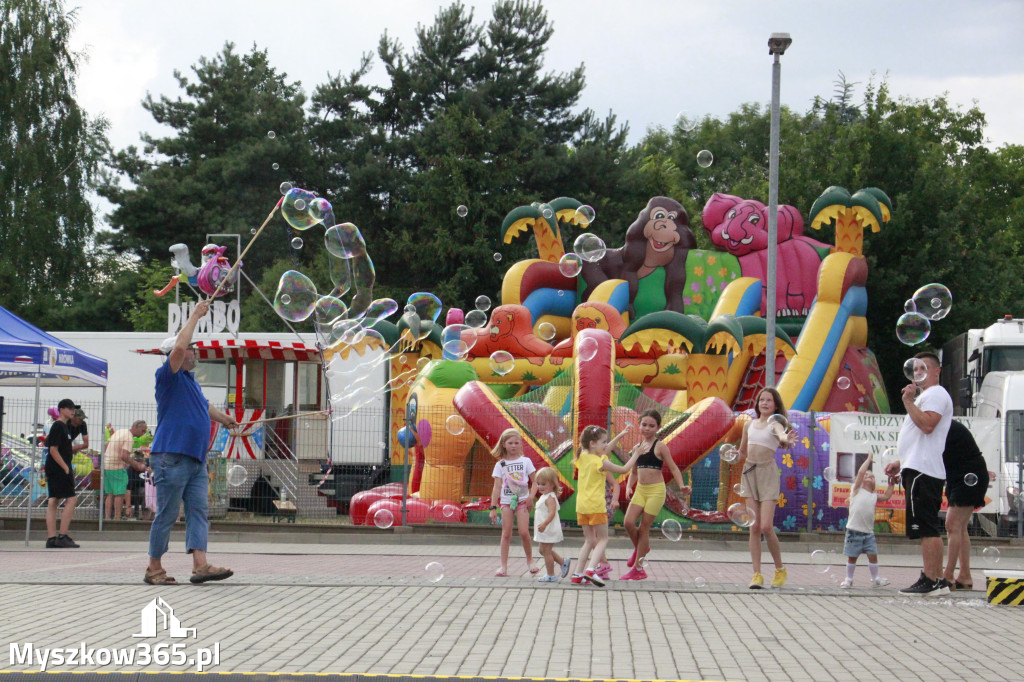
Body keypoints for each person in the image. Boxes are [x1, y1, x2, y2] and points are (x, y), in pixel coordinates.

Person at [145, 299, 238, 586]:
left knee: (199, 511)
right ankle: (154, 568)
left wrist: (224, 419)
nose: (196, 352)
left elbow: (204, 406)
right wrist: (196, 315)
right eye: (191, 349)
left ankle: (200, 565)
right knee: (168, 515)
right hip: (171, 457)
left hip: (196, 459)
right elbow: (179, 348)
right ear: (179, 354)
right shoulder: (167, 376)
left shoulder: (190, 381)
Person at [886, 351, 954, 596]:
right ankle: (935, 580)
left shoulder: (935, 394)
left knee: (926, 527)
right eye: (915, 369)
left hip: (923, 470)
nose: (918, 373)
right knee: (926, 525)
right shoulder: (927, 397)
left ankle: (932, 579)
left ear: (937, 371)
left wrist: (907, 402)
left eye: (924, 368)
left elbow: (927, 425)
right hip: (918, 467)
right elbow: (921, 437)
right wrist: (901, 462)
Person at [620, 409, 691, 581]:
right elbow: (634, 471)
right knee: (628, 523)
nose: (647, 428)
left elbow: (673, 467)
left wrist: (682, 486)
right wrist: (629, 486)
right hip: (640, 490)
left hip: (655, 491)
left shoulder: (660, 447)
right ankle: (640, 548)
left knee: (644, 528)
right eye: (644, 424)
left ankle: (638, 569)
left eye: (651, 426)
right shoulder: (637, 448)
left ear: (658, 427)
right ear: (639, 425)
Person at [738, 387, 796, 589]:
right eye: (761, 399)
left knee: (766, 526)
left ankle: (780, 569)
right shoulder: (749, 425)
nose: (764, 403)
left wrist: (785, 439)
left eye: (769, 400)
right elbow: (742, 450)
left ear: (775, 405)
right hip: (749, 472)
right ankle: (757, 575)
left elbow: (781, 435)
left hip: (767, 473)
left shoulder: (775, 424)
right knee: (753, 526)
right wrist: (732, 456)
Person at [570, 425, 643, 586]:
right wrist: (636, 454)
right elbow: (624, 469)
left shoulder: (582, 456)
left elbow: (604, 450)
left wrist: (619, 436)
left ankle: (577, 574)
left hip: (581, 506)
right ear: (592, 444)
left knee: (589, 540)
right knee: (603, 538)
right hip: (596, 506)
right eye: (603, 441)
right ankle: (590, 570)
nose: (605, 445)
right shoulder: (601, 462)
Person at [941, 420, 989, 591]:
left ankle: (948, 576)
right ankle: (965, 576)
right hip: (960, 476)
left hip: (968, 476)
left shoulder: (940, 426)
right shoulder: (940, 425)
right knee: (959, 527)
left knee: (952, 525)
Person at [840, 453, 896, 588]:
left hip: (868, 533)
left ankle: (875, 578)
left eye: (871, 476)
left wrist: (892, 483)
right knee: (852, 557)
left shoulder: (874, 496)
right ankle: (848, 579)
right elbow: (860, 472)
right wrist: (868, 460)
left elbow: (888, 495)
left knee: (873, 556)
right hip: (854, 531)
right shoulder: (856, 490)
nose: (868, 476)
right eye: (867, 475)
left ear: (874, 483)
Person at [488, 428, 538, 577]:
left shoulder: (526, 461)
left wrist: (531, 497)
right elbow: (497, 487)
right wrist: (493, 507)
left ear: (521, 445)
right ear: (504, 444)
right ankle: (503, 566)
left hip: (523, 501)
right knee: (506, 533)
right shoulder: (500, 465)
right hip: (506, 502)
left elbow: (535, 482)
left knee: (524, 532)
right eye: (510, 443)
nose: (513, 446)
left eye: (516, 443)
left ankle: (530, 560)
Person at [44, 399, 80, 548]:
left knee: (54, 500)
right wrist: (66, 468)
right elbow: (53, 449)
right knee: (72, 499)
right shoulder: (58, 426)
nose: (73, 411)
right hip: (58, 468)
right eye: (70, 408)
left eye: (74, 409)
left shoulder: (65, 427)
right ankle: (62, 535)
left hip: (56, 468)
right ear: (62, 409)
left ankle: (52, 538)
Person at [102, 420, 147, 520]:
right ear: (136, 427)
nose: (143, 434)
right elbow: (124, 455)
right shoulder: (129, 438)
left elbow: (106, 445)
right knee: (119, 494)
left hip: (106, 465)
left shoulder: (120, 431)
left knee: (110, 494)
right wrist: (137, 465)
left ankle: (107, 518)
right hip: (117, 467)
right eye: (143, 431)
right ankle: (117, 518)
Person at [533, 467, 571, 582]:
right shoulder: (544, 496)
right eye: (538, 484)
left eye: (543, 484)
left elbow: (552, 513)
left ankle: (551, 575)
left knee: (547, 552)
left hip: (548, 528)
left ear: (553, 484)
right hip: (544, 529)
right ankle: (563, 562)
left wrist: (544, 524)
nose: (540, 487)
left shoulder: (550, 498)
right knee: (542, 550)